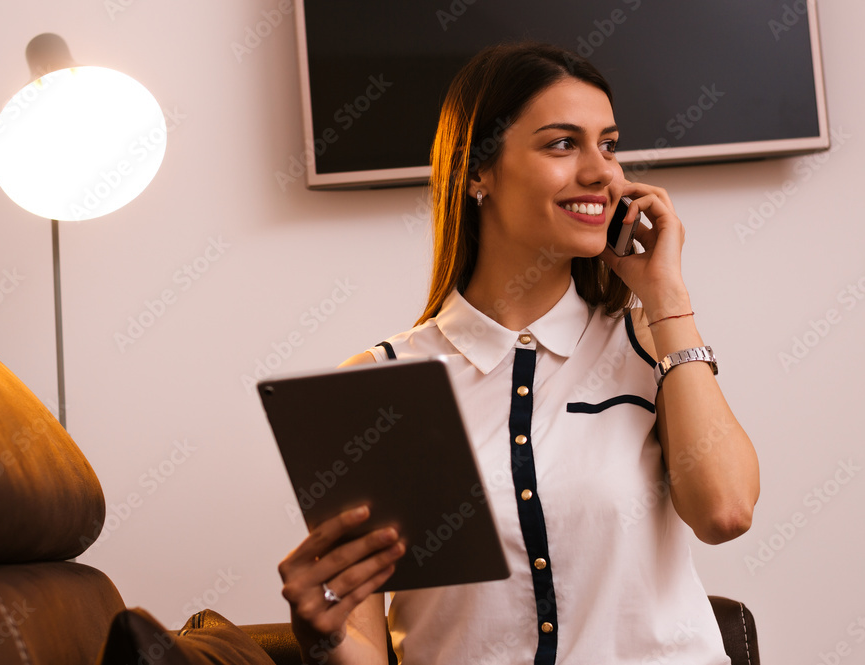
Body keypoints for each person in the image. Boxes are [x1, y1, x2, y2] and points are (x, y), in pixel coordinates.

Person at [277, 41, 760, 665]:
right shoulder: (380, 384)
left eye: (608, 144)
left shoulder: (652, 342)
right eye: (562, 144)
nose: (603, 173)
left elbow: (725, 512)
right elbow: (365, 640)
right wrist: (330, 634)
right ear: (478, 172)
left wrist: (668, 297)